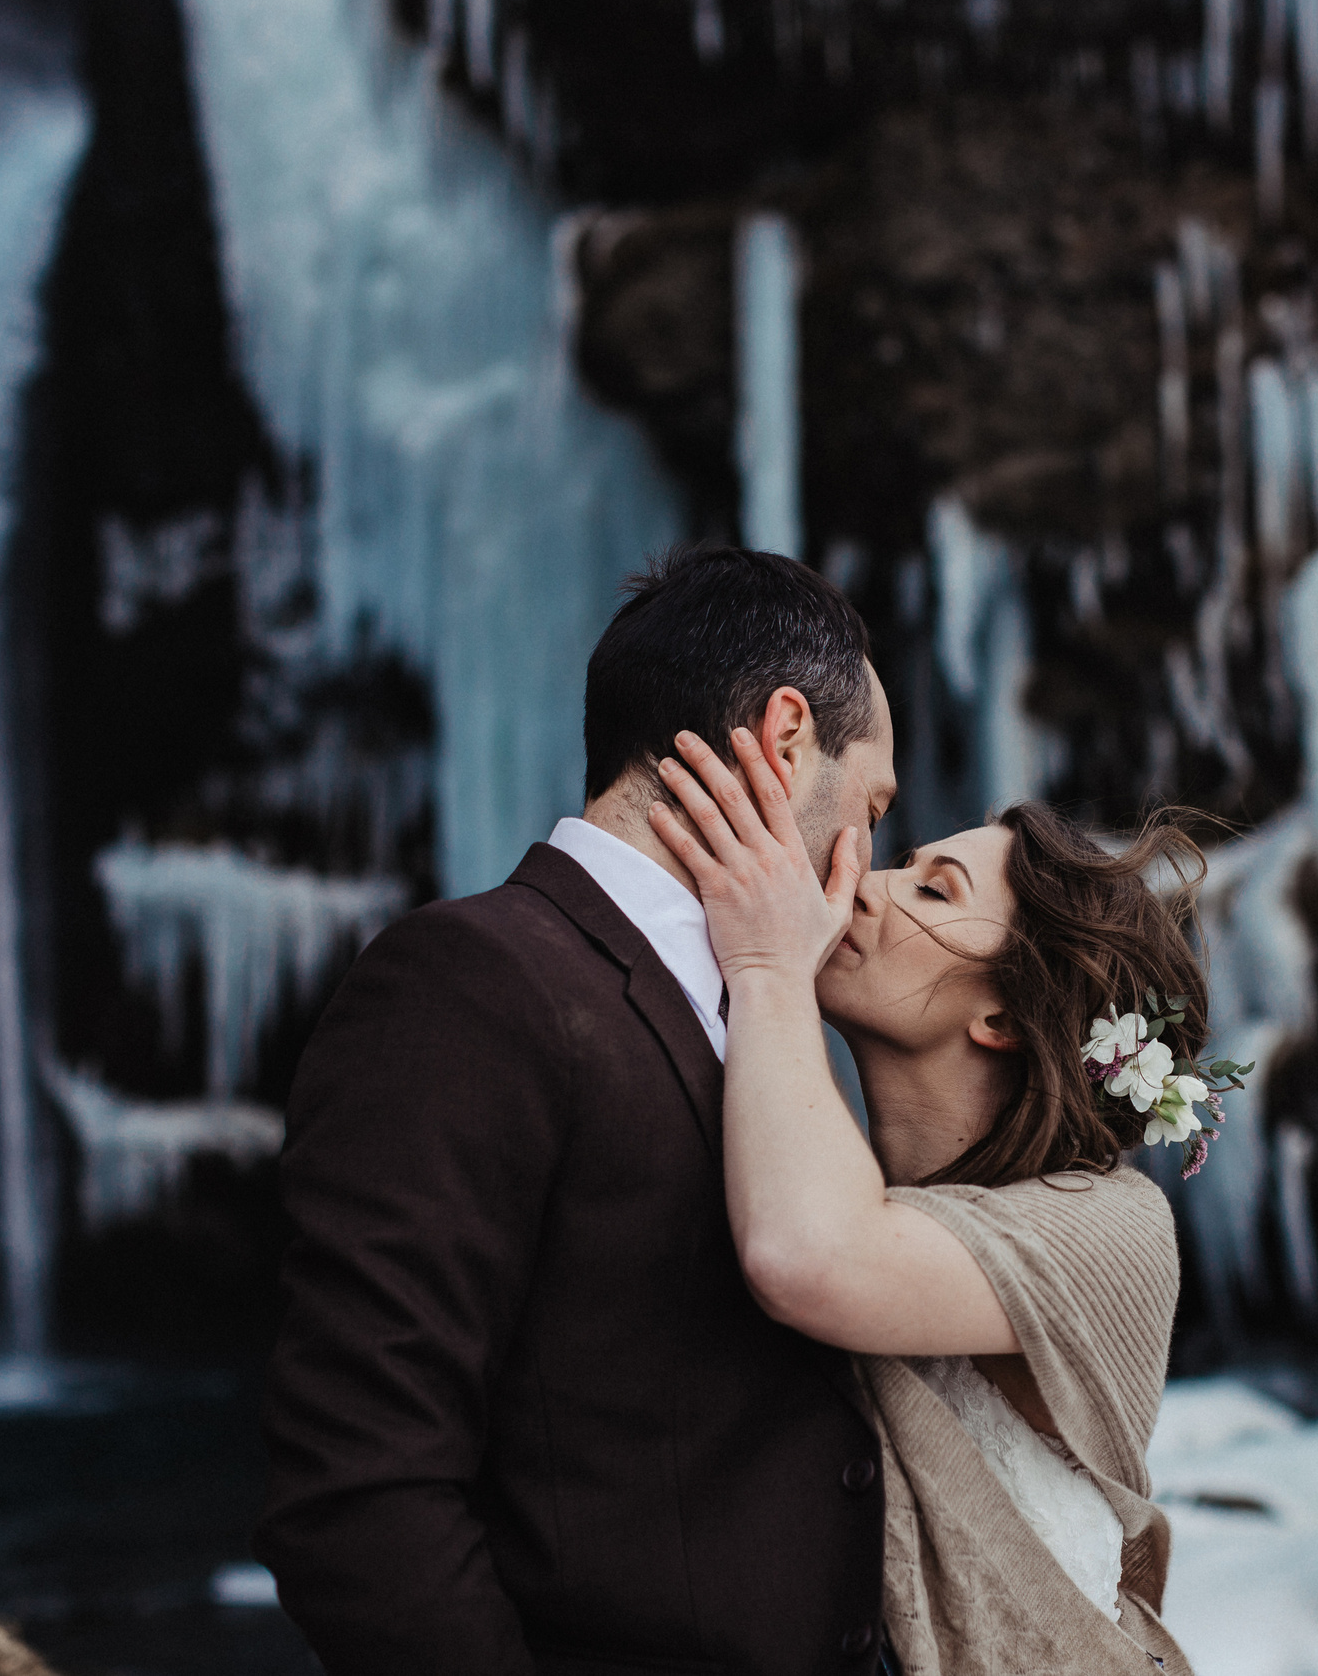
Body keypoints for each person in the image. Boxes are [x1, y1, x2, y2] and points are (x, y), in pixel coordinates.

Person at [255, 549, 902, 1676]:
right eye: (874, 804)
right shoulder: (466, 978)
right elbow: (359, 1486)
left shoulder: (771, 1008)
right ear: (786, 738)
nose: (870, 860)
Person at [647, 726, 1223, 1676]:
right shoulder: (807, 1163)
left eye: (933, 889)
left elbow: (812, 1257)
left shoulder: (1115, 1225)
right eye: (904, 860)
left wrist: (765, 968)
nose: (864, 882)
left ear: (1001, 1015)